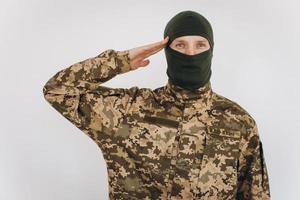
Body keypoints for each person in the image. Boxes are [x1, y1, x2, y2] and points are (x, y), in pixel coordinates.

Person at [43, 10, 271, 200]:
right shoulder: (127, 110)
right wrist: (120, 62)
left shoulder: (238, 122)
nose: (191, 53)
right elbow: (57, 90)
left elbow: (255, 195)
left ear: (211, 50)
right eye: (180, 45)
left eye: (200, 45)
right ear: (167, 50)